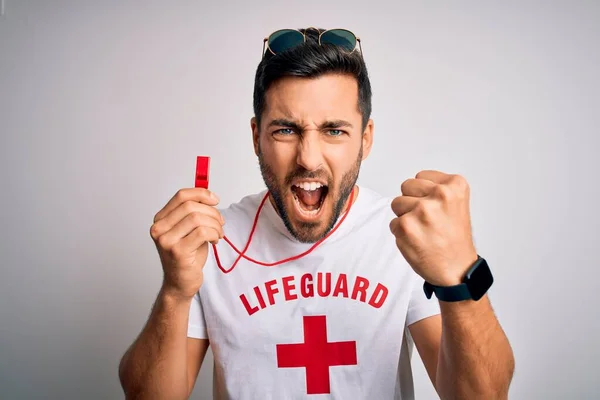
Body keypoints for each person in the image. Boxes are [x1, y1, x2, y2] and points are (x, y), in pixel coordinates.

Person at [118, 27, 515, 399]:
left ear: (366, 138)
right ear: (256, 137)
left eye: (334, 130)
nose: (308, 158)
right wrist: (175, 291)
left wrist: (460, 273)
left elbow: (482, 395)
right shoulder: (212, 240)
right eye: (285, 130)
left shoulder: (403, 237)